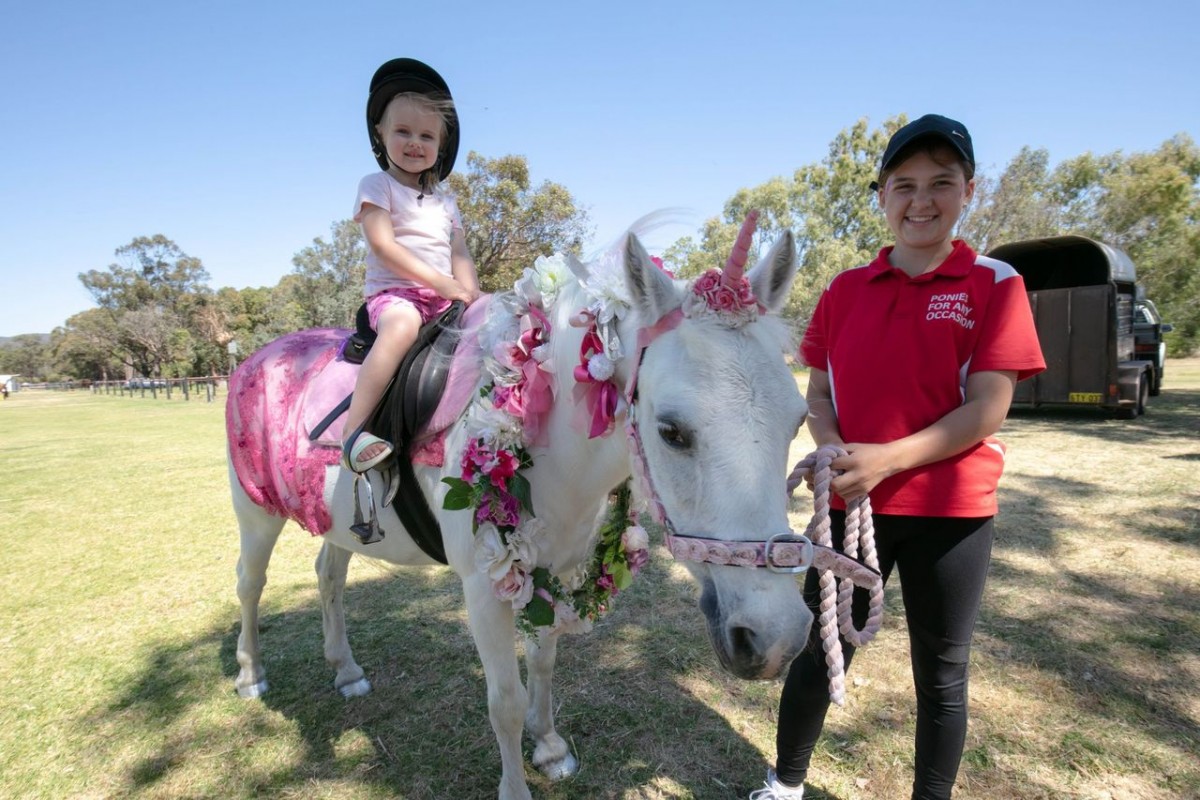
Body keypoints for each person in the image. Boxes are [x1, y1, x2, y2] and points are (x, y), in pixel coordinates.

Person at [752, 115, 1046, 800]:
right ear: (882, 195)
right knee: (825, 652)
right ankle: (785, 783)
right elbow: (818, 391)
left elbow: (987, 408)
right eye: (904, 185)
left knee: (942, 672)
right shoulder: (845, 290)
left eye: (940, 183)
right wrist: (831, 446)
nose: (921, 201)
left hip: (953, 513)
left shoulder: (995, 283)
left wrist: (887, 459)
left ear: (968, 191)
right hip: (850, 505)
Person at [343, 58, 480, 472]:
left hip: (442, 299)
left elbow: (460, 252)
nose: (414, 142)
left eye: (426, 135)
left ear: (440, 145)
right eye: (402, 131)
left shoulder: (445, 201)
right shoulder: (377, 185)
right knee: (401, 327)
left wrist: (471, 293)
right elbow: (383, 245)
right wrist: (441, 283)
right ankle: (354, 432)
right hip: (396, 296)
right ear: (380, 135)